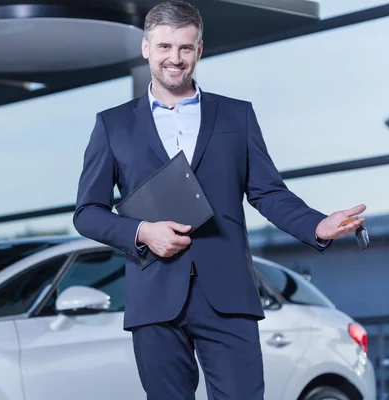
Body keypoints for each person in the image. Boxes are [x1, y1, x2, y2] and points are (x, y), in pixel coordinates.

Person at [72, 1, 366, 399]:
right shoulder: (113, 125)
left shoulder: (236, 117)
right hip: (155, 299)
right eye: (164, 47)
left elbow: (267, 191)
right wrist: (142, 231)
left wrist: (316, 225)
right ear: (146, 48)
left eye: (185, 48)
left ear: (199, 50)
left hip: (228, 295)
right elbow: (87, 213)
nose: (175, 59)